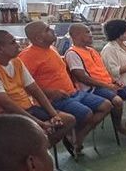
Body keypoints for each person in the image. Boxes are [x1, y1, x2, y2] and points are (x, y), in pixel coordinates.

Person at [20, 22, 112, 157]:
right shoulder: (27, 57)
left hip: (73, 92)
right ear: (39, 38)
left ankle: (77, 137)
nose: (52, 30)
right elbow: (25, 85)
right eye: (47, 30)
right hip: (54, 99)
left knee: (106, 105)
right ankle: (69, 136)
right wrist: (51, 92)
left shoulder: (52, 49)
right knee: (86, 113)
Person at [0, 30, 75, 146]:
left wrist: (53, 114)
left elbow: (35, 90)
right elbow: (6, 104)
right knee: (36, 133)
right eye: (12, 42)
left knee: (67, 119)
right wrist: (39, 123)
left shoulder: (16, 61)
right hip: (1, 117)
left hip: (26, 109)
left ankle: (40, 150)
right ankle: (36, 153)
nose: (18, 45)